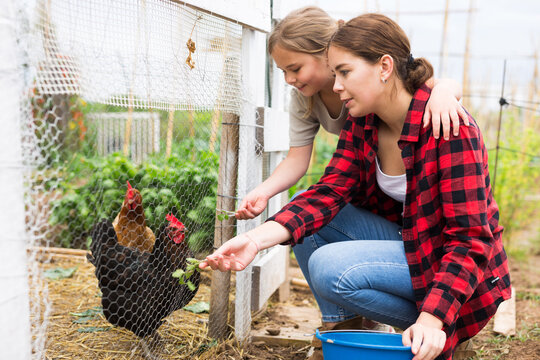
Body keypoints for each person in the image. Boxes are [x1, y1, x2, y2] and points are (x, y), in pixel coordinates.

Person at [201, 13, 511, 360]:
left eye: (345, 72)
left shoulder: (448, 127)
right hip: (411, 241)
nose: (335, 86)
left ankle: (439, 329)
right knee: (313, 223)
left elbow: (471, 241)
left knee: (331, 268)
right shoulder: (363, 123)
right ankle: (350, 335)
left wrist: (432, 318)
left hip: (458, 270)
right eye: (334, 74)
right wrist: (255, 239)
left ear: (384, 66)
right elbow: (330, 191)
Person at [235, 6, 468, 221]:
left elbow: (431, 83)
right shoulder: (304, 100)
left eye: (295, 68)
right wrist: (263, 191)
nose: (288, 80)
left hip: (406, 186)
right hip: (369, 179)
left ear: (328, 54)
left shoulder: (373, 85)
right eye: (283, 71)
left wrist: (444, 93)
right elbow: (297, 158)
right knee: (303, 211)